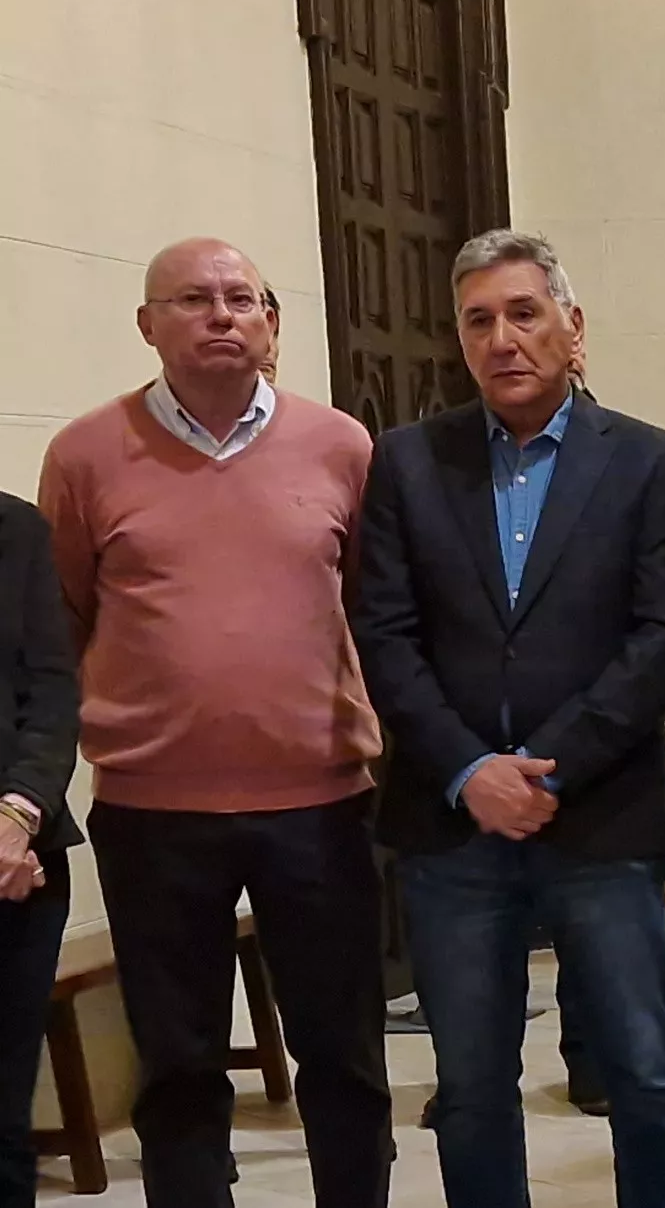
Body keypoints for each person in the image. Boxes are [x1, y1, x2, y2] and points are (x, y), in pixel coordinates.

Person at [350, 229, 665, 1208]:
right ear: (459, 341)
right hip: (451, 822)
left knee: (641, 1071)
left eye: (524, 312)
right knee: (467, 1089)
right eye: (479, 320)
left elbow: (664, 640)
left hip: (599, 816)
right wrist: (473, 771)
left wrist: (547, 767)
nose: (503, 338)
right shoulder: (406, 465)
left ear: (572, 327)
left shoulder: (645, 462)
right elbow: (382, 637)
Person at [37, 237, 392, 1208]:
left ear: (272, 323)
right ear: (149, 325)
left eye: (242, 298)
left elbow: (369, 605)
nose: (222, 314)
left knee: (344, 1055)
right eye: (193, 298)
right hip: (154, 815)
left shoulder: (339, 446)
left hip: (320, 804)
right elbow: (65, 614)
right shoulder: (83, 454)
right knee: (180, 1064)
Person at [0, 488, 79, 1208]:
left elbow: (54, 689)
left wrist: (19, 813)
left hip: (17, 866)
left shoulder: (16, 529)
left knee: (1, 1123)